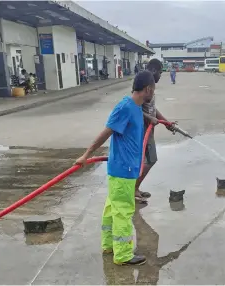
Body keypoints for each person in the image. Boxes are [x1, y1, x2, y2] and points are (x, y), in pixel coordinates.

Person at [75, 70, 156, 266]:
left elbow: (136, 113)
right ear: (147, 89)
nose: (153, 93)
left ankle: (109, 246)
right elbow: (107, 131)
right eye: (153, 90)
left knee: (112, 208)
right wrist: (87, 155)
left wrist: (151, 119)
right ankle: (123, 254)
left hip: (123, 169)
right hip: (124, 171)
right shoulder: (125, 107)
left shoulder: (135, 106)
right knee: (123, 212)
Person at [135, 58, 175, 203]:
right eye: (160, 72)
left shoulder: (150, 88)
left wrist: (166, 122)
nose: (160, 75)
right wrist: (149, 119)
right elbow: (134, 108)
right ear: (153, 70)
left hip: (149, 129)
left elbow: (153, 109)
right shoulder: (144, 87)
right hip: (142, 131)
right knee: (149, 160)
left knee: (146, 161)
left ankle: (135, 188)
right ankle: (133, 190)